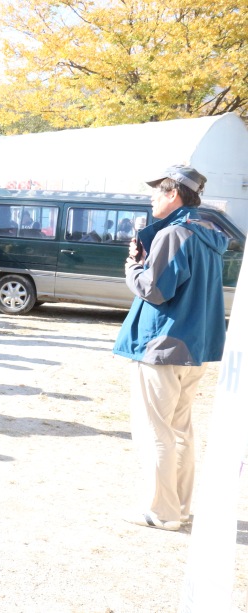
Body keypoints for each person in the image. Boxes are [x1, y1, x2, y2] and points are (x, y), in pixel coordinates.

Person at [113, 165, 227, 532]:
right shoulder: (207, 233)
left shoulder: (174, 234)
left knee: (155, 430)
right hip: (193, 346)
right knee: (180, 430)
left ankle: (161, 512)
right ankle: (179, 507)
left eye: (156, 192)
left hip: (162, 344)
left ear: (173, 194)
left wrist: (133, 266)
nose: (151, 198)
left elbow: (155, 289)